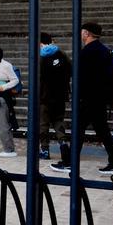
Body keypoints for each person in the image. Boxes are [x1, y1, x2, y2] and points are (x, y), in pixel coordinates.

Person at [51, 21, 113, 175]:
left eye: (82, 32)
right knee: (101, 130)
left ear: (87, 33)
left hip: (88, 98)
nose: (81, 34)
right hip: (99, 97)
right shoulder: (103, 50)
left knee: (79, 130)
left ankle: (70, 162)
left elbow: (83, 76)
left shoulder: (88, 51)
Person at [38, 32, 71, 163]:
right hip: (60, 95)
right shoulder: (62, 54)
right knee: (58, 121)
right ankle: (63, 146)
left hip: (44, 96)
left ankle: (45, 150)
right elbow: (70, 70)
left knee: (43, 124)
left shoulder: (39, 57)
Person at [0, 46, 19, 158]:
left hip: (1, 96)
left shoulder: (6, 65)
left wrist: (4, 86)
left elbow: (15, 80)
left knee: (2, 124)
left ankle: (9, 149)